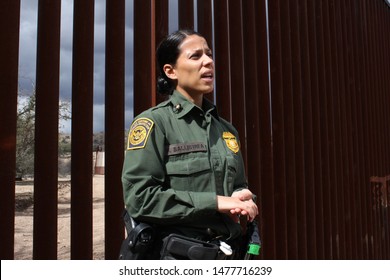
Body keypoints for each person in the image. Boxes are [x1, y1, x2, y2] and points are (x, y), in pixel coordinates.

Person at [121, 29, 259, 260]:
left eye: (209, 54)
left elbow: (237, 183)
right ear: (170, 71)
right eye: (196, 56)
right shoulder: (153, 123)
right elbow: (140, 198)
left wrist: (241, 195)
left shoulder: (225, 129)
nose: (208, 61)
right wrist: (215, 202)